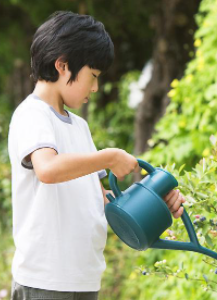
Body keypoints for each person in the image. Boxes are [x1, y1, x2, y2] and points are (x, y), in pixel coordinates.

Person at [8, 11, 185, 300]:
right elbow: (48, 169)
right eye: (93, 76)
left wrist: (155, 203)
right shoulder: (32, 114)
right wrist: (108, 157)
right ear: (63, 66)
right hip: (45, 281)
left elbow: (100, 199)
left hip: (84, 279)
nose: (95, 87)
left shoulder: (80, 127)